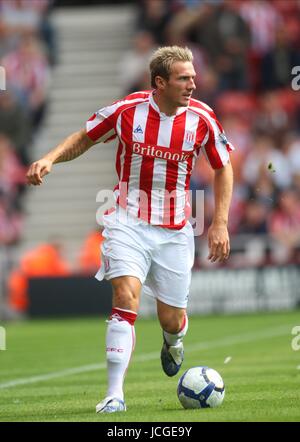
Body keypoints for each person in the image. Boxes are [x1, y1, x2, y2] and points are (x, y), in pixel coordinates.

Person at [26, 46, 234, 413]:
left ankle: (174, 340)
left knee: (171, 319)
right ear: (160, 82)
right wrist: (49, 158)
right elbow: (84, 137)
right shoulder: (127, 112)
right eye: (184, 78)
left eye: (193, 77)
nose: (193, 84)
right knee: (125, 298)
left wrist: (219, 222)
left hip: (174, 230)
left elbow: (223, 166)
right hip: (126, 220)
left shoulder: (202, 118)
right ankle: (114, 395)